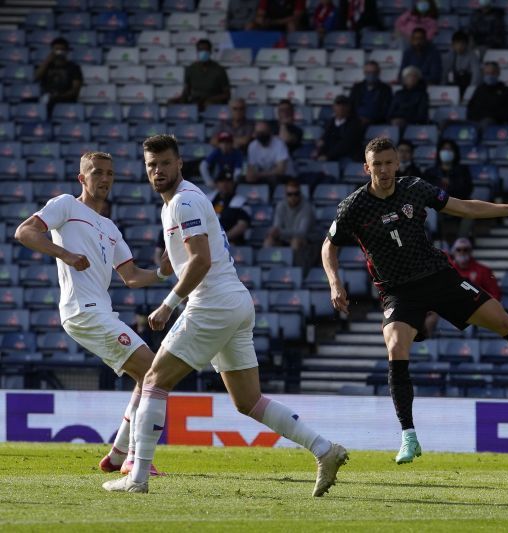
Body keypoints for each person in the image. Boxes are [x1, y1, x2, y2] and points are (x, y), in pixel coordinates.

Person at [102, 135, 348, 495]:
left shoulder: (183, 201)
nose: (158, 171)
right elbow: (196, 256)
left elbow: (201, 260)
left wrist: (168, 304)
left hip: (212, 303)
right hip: (234, 302)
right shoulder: (181, 201)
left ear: (179, 163)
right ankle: (325, 450)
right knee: (247, 400)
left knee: (154, 379)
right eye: (151, 165)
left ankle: (137, 478)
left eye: (165, 163)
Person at [321, 137, 508, 464]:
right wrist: (335, 282)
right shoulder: (353, 206)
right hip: (398, 290)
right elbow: (328, 245)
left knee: (503, 321)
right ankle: (409, 436)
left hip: (438, 277)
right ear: (367, 168)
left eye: (389, 162)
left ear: (397, 163)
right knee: (395, 345)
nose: (385, 169)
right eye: (377, 164)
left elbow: (465, 206)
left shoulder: (415, 188)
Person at [14, 152, 166, 477]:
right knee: (154, 371)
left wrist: (166, 272)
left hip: (101, 312)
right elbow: (25, 232)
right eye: (97, 172)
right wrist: (65, 254)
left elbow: (133, 276)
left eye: (110, 173)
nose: (105, 179)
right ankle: (133, 458)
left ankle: (118, 454)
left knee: (149, 374)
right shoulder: (66, 204)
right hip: (82, 311)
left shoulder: (110, 227)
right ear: (82, 178)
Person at [424, 237, 501, 337]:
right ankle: (425, 348)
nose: (462, 252)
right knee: (428, 314)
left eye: (465, 249)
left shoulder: (483, 271)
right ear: (453, 252)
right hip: (450, 306)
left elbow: (495, 295)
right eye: (459, 249)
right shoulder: (447, 269)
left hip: (475, 307)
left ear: (470, 251)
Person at [264, 178, 316, 265]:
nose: (293, 197)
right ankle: (269, 268)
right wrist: (275, 232)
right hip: (285, 238)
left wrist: (280, 232)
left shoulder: (307, 208)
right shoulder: (280, 206)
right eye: (290, 194)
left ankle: (292, 270)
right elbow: (277, 226)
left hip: (305, 241)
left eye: (296, 194)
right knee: (269, 241)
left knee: (296, 242)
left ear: (300, 194)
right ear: (286, 195)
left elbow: (302, 232)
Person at [171, 39, 230, 111]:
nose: (203, 52)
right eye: (200, 50)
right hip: (195, 101)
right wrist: (179, 100)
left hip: (213, 101)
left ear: (210, 52)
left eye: (206, 50)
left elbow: (227, 94)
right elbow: (186, 91)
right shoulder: (191, 69)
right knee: (172, 103)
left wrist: (208, 99)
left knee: (208, 104)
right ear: (197, 52)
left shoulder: (219, 70)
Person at [34, 37, 83, 116]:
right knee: (26, 102)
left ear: (67, 51)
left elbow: (75, 90)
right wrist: (47, 61)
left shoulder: (74, 68)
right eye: (56, 50)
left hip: (65, 98)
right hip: (46, 97)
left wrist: (59, 96)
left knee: (51, 102)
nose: (59, 52)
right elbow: (36, 78)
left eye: (62, 50)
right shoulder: (47, 66)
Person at [315, 95, 364, 162]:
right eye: (338, 105)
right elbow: (324, 139)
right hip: (330, 156)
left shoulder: (355, 124)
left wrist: (327, 156)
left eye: (344, 105)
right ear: (333, 107)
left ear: (349, 107)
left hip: (347, 157)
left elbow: (345, 144)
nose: (341, 108)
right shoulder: (330, 122)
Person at [245, 121, 294, 186]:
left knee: (274, 179)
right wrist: (251, 175)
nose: (261, 135)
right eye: (258, 133)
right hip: (265, 176)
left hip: (286, 177)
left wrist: (259, 175)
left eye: (263, 132)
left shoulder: (279, 143)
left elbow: (280, 170)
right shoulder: (252, 146)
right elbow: (251, 168)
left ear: (270, 132)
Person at [466, 62, 508, 127]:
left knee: (485, 123)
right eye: (487, 73)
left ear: (498, 73)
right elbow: (471, 107)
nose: (490, 76)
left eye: (492, 73)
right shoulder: (479, 90)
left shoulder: (507, 91)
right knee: (450, 123)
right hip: (476, 122)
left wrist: (489, 115)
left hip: (495, 123)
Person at [208, 172, 251, 246]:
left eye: (228, 181)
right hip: (208, 240)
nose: (225, 184)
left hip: (231, 242)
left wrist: (222, 238)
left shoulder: (241, 202)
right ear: (217, 184)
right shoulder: (208, 199)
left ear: (233, 184)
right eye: (222, 181)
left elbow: (242, 226)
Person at [349, 61, 393, 126]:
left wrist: (371, 120)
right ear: (364, 73)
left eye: (374, 72)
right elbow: (351, 106)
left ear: (378, 73)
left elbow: (387, 110)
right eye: (368, 72)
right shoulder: (357, 88)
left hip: (377, 123)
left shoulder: (385, 89)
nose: (371, 75)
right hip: (357, 123)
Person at [441, 31, 481, 98]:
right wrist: (443, 88)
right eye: (457, 44)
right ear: (453, 44)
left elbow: (476, 74)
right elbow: (444, 73)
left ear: (466, 44)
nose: (459, 46)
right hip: (454, 85)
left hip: (467, 84)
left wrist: (470, 90)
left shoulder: (473, 56)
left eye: (462, 44)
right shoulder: (448, 56)